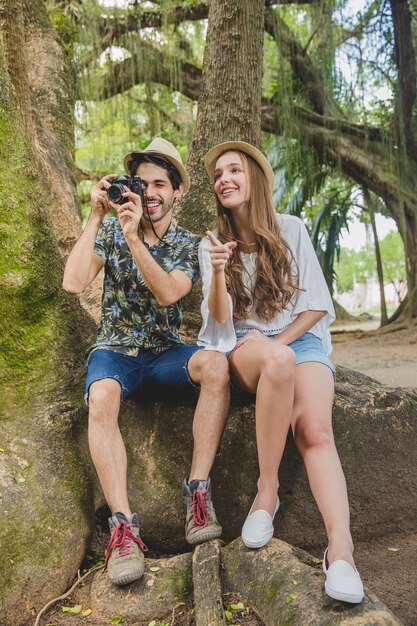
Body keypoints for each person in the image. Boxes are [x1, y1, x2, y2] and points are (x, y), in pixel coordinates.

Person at [198, 140, 364, 604]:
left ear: (255, 179)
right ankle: (265, 492)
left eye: (234, 170)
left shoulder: (289, 229)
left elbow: (316, 306)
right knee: (275, 359)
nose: (224, 179)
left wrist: (280, 339)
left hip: (298, 339)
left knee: (313, 427)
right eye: (218, 175)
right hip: (247, 346)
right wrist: (215, 272)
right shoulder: (211, 243)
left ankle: (342, 552)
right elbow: (218, 324)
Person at [63, 138, 228, 586]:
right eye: (141, 183)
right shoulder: (113, 229)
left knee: (216, 365)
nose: (150, 192)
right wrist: (97, 215)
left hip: (167, 352)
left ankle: (197, 493)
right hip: (116, 349)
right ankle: (123, 529)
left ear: (178, 191)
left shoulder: (189, 243)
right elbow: (73, 282)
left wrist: (136, 238)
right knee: (101, 395)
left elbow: (170, 292)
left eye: (160, 184)